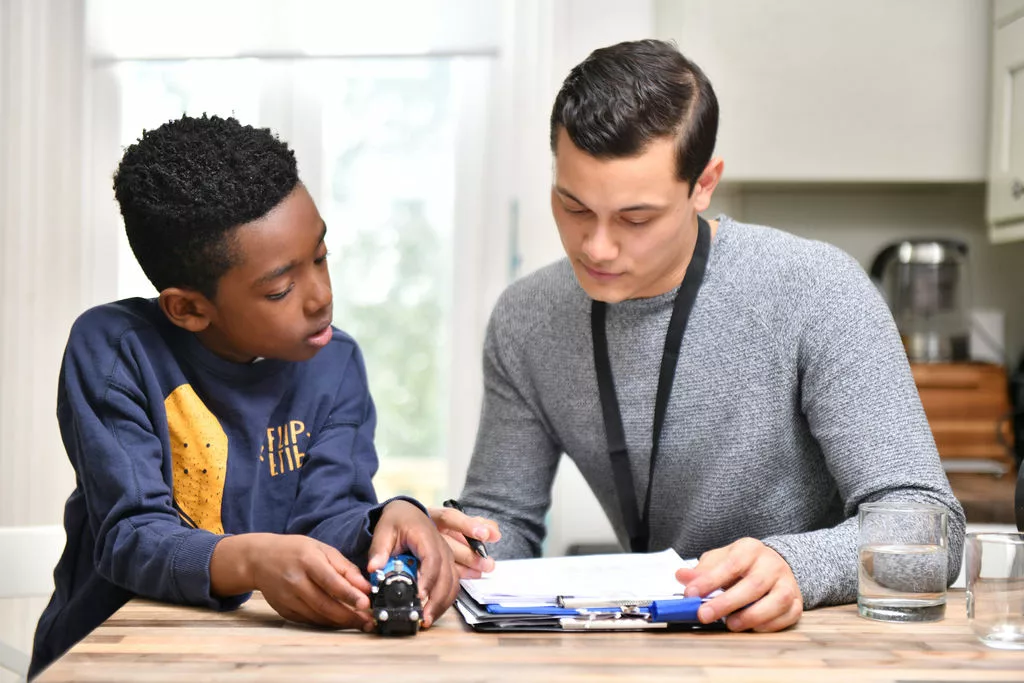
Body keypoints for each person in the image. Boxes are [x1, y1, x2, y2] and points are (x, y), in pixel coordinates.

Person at [432, 39, 965, 632]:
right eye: (573, 207)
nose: (597, 247)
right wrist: (458, 552)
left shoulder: (817, 290)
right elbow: (501, 523)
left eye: (636, 218)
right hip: (653, 649)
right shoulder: (526, 320)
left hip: (806, 649)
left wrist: (797, 566)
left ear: (704, 184)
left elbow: (930, 526)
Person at [29, 114, 459, 678]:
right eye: (281, 288)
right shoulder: (115, 351)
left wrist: (391, 516)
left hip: (253, 659)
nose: (321, 297)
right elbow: (130, 538)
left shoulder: (335, 362)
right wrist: (254, 558)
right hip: (109, 658)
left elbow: (326, 516)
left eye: (322, 256)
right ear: (188, 308)